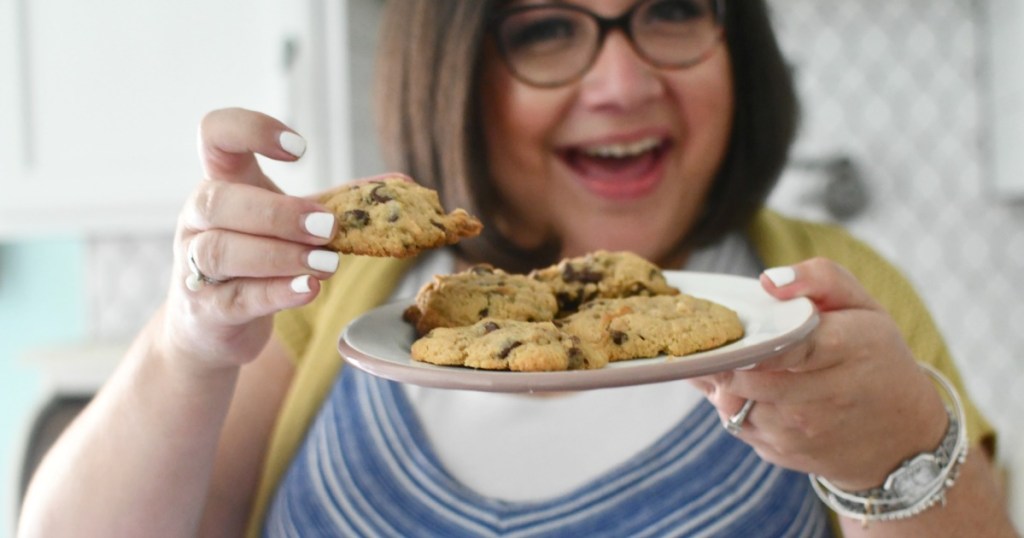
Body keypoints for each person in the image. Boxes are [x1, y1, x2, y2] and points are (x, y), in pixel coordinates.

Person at [18, 0, 1017, 536]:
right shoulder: (347, 295)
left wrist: (898, 453)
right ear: (456, 67)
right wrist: (191, 343)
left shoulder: (827, 289)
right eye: (545, 29)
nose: (623, 83)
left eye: (670, 10)